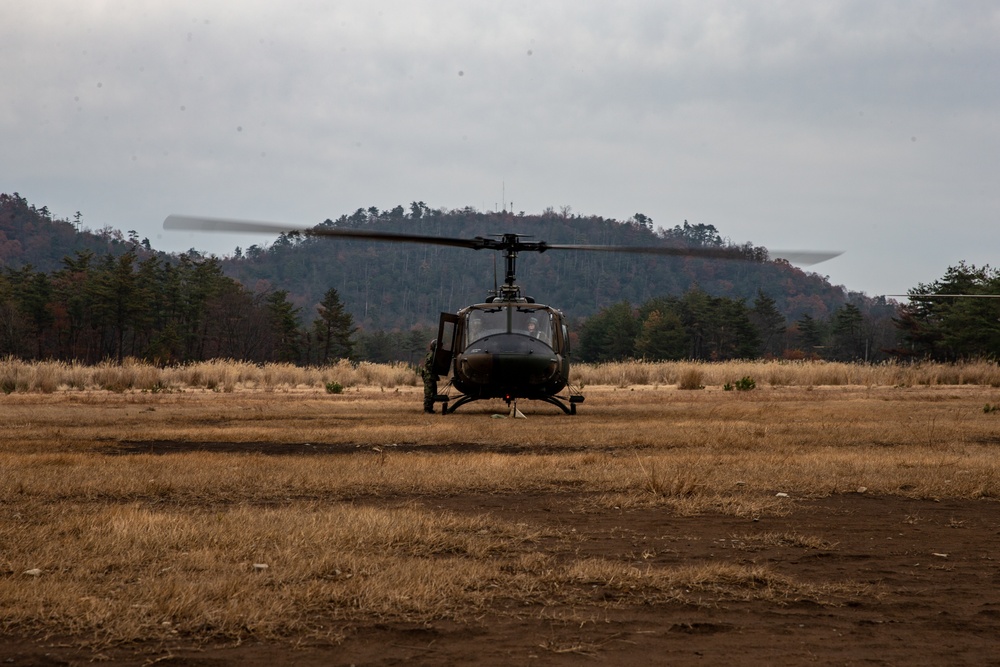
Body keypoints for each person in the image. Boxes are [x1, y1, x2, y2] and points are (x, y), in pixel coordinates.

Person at [420, 339, 439, 413]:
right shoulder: (431, 355)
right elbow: (428, 365)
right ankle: (427, 409)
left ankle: (430, 408)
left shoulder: (434, 354)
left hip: (431, 376)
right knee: (429, 393)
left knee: (433, 393)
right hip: (429, 376)